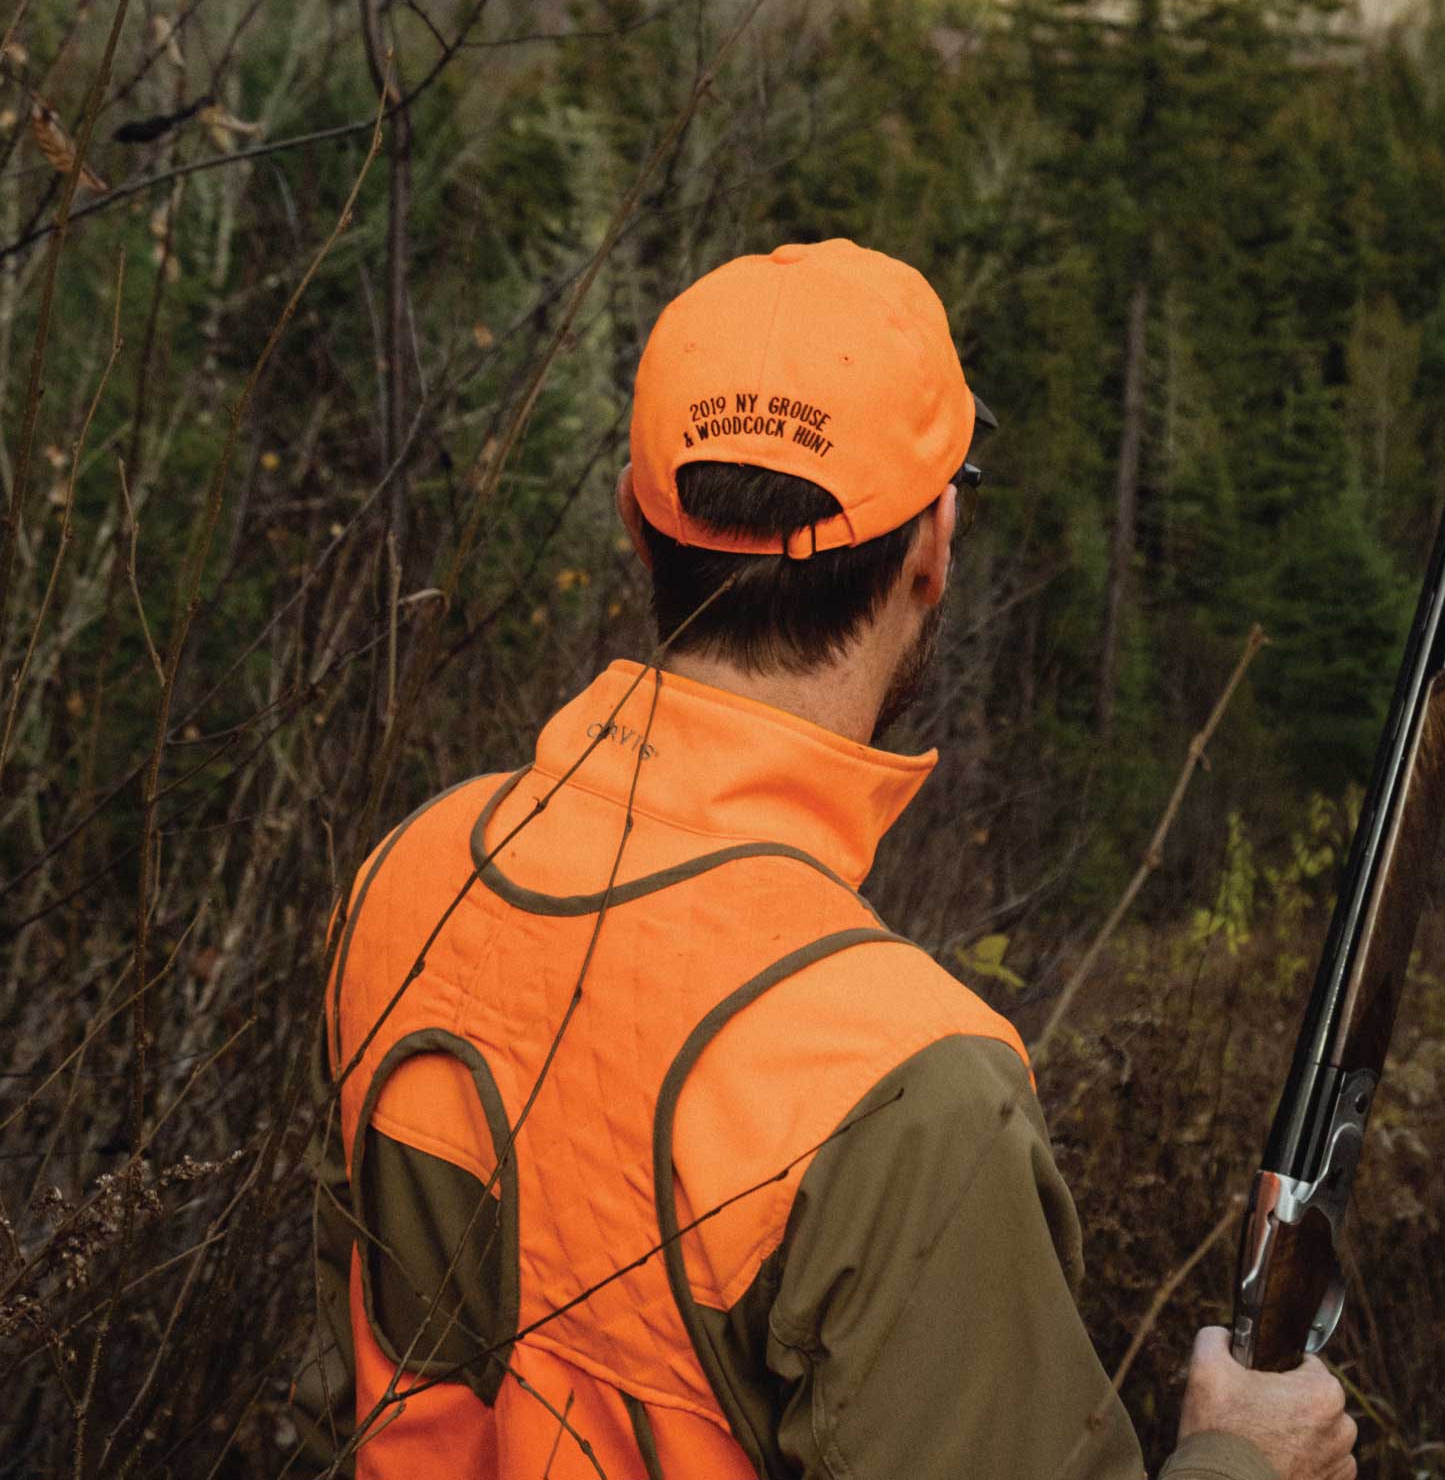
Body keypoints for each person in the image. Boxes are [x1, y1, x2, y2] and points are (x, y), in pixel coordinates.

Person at [296, 239, 1358, 1480]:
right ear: (933, 549)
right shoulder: (901, 1088)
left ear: (637, 527)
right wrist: (1243, 1460)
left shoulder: (412, 880)